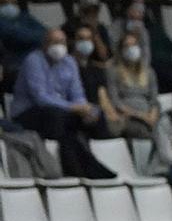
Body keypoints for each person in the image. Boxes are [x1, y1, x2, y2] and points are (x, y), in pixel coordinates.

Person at [11, 26, 113, 179]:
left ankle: (84, 167)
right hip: (29, 113)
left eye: (62, 42)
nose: (58, 46)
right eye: (54, 42)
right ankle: (85, 169)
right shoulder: (33, 60)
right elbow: (41, 98)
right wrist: (73, 107)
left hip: (61, 113)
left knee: (96, 115)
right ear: (45, 44)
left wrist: (85, 109)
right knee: (59, 117)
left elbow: (77, 94)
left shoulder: (70, 62)